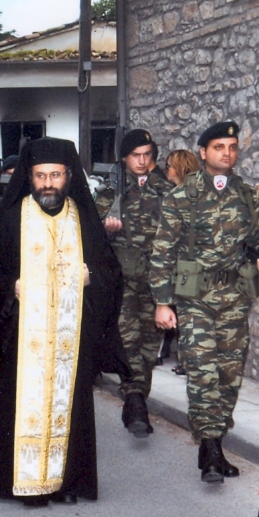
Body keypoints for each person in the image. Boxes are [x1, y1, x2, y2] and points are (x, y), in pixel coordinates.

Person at [0, 138, 128, 503]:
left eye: (55, 175)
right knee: (22, 406)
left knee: (70, 408)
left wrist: (92, 277)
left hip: (71, 338)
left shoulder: (83, 218)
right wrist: (10, 286)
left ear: (68, 175)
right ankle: (25, 483)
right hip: (23, 336)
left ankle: (67, 483)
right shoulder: (13, 217)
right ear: (30, 177)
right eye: (41, 176)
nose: (48, 184)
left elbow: (111, 272)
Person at [148, 120, 259, 482]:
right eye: (219, 147)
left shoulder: (247, 196)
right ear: (203, 153)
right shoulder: (181, 197)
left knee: (229, 375)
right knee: (203, 372)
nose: (227, 154)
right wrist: (162, 302)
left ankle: (215, 438)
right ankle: (210, 448)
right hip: (196, 300)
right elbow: (163, 252)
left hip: (235, 298)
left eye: (232, 148)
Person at [97, 129, 172, 437]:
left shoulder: (166, 190)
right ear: (124, 158)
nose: (142, 161)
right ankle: (135, 399)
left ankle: (137, 396)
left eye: (147, 155)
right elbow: (92, 237)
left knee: (150, 345)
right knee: (128, 340)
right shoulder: (109, 192)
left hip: (156, 280)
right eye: (135, 156)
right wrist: (107, 229)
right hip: (123, 281)